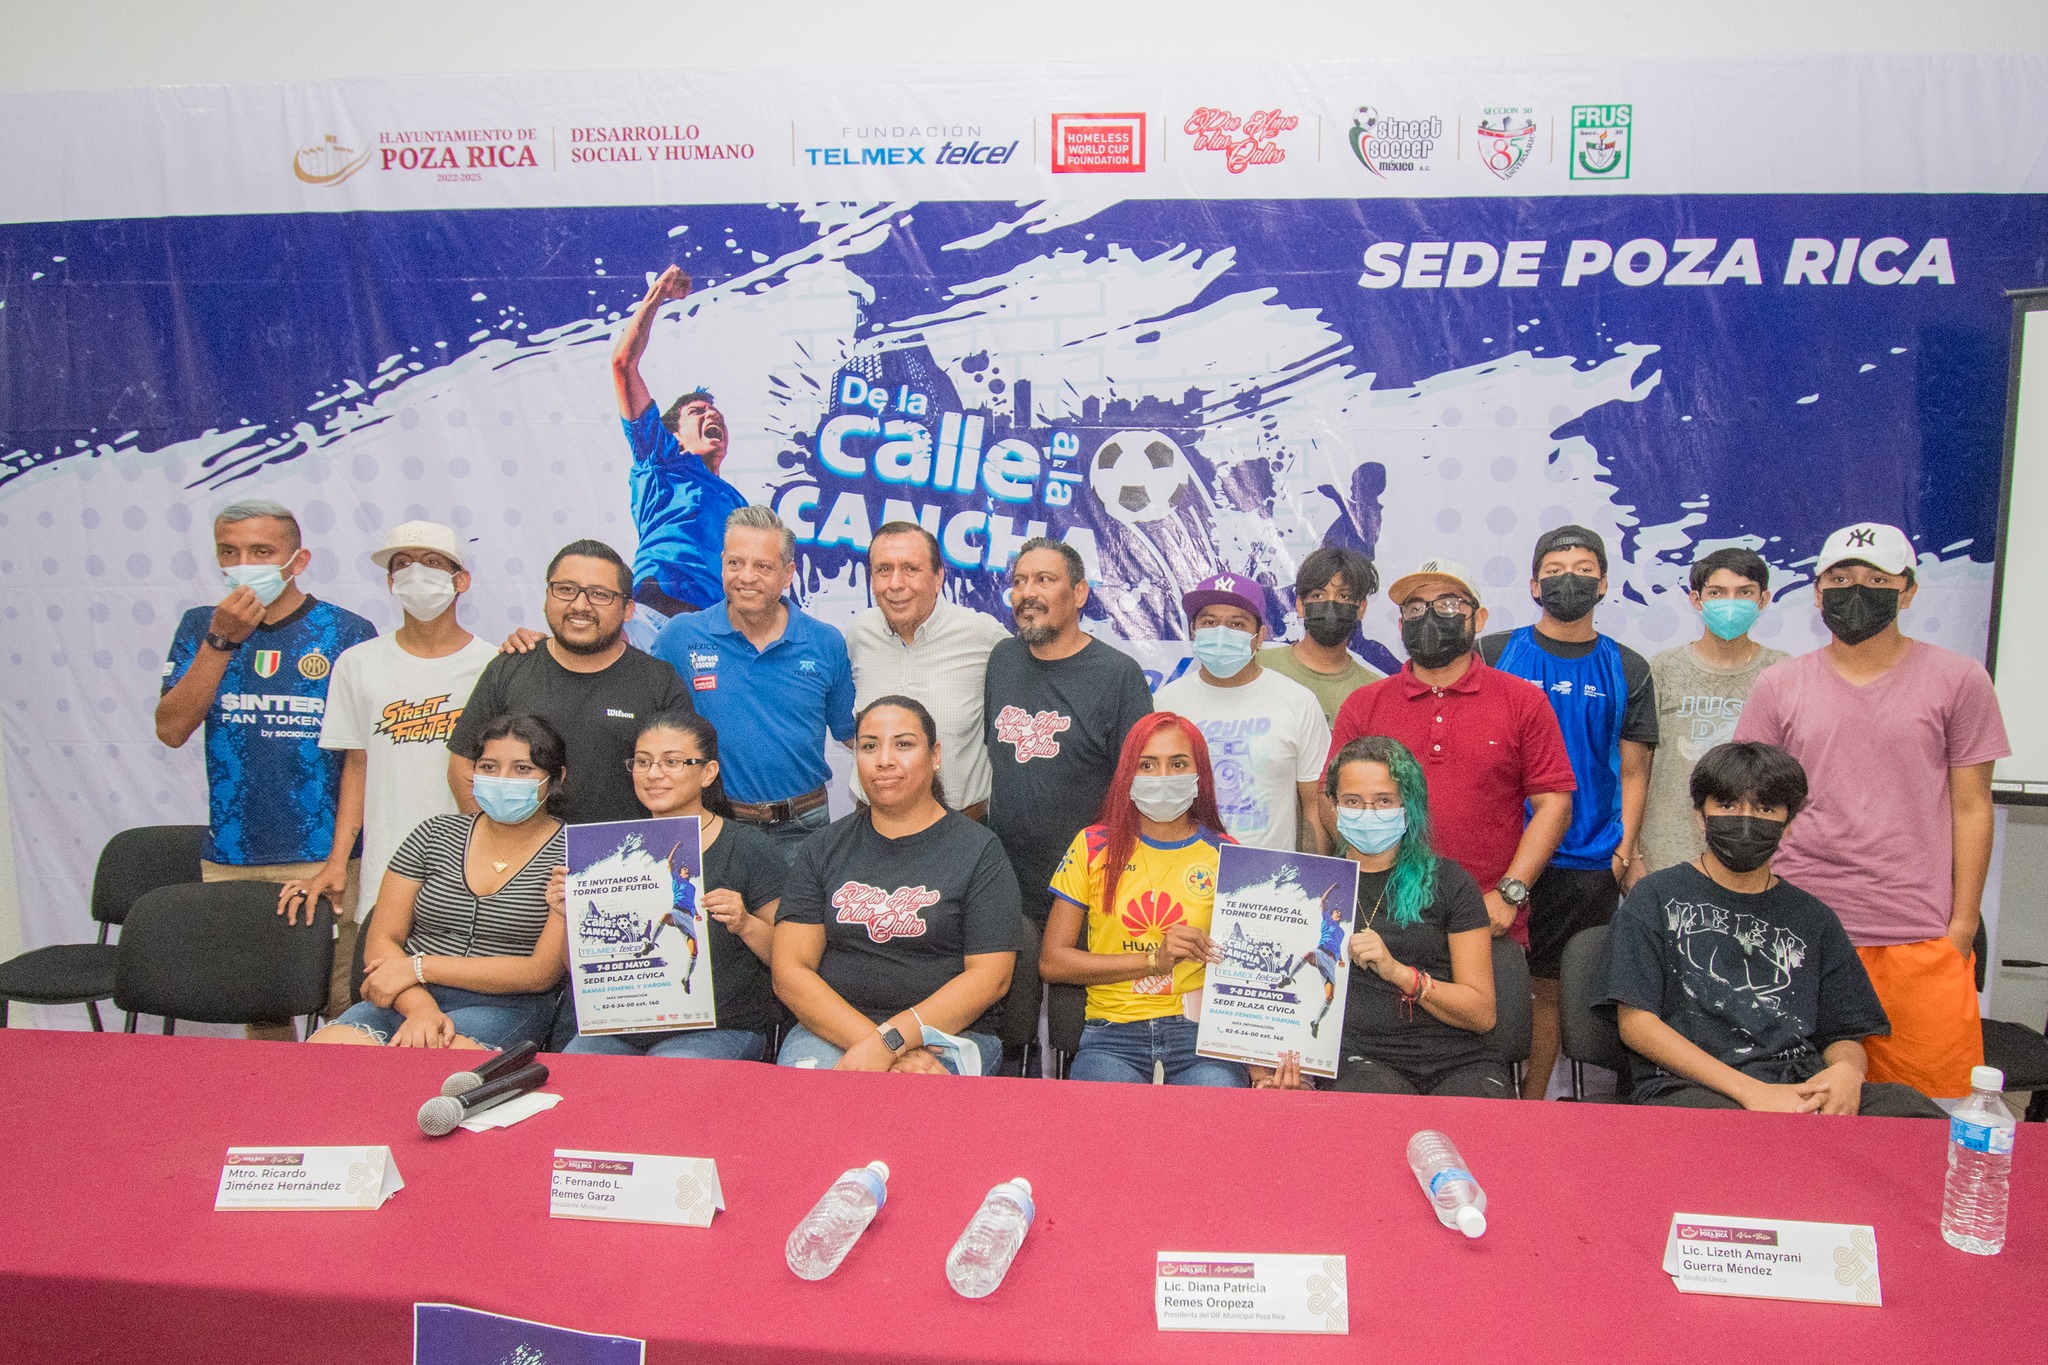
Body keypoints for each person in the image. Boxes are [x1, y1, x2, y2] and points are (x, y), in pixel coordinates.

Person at [1735, 522, 2009, 1102]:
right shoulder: (1779, 685)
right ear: (1817, 593)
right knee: (1790, 1107)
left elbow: (1972, 806)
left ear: (1907, 591)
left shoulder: (1959, 680)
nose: (1856, 590)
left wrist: (1960, 929)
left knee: (1922, 1112)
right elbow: (1750, 806)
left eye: (1876, 579)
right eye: (1839, 578)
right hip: (1795, 929)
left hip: (1915, 936)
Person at [1593, 741, 1945, 1117]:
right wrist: (1751, 1092)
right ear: (1700, 816)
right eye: (1728, 806)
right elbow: (1636, 1024)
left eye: (1764, 809)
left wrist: (1847, 1072)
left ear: (1788, 824)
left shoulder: (1815, 918)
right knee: (1732, 1131)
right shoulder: (1655, 897)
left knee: (1911, 1111)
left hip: (1800, 1085)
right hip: (1693, 1088)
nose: (1746, 820)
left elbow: (1844, 1034)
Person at [155, 498, 376, 1038]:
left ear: (298, 561)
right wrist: (220, 641)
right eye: (228, 552)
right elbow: (171, 728)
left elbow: (363, 755)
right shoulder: (200, 626)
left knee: (344, 1005)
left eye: (260, 552)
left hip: (330, 856)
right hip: (236, 853)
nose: (243, 564)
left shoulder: (346, 631)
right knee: (262, 1008)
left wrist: (339, 857)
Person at [278, 522, 498, 996]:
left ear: (461, 580)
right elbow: (357, 766)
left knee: (459, 1003)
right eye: (403, 564)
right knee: (372, 999)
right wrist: (338, 861)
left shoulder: (495, 664)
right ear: (390, 581)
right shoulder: (357, 663)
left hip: (469, 871)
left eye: (432, 562)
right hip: (385, 868)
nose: (416, 573)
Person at [1480, 524, 1657, 1099]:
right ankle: (1480, 1092)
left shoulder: (1628, 667)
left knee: (1552, 990)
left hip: (1585, 859)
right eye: (1554, 571)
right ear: (1533, 584)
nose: (1569, 581)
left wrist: (1623, 850)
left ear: (1604, 583)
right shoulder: (1493, 652)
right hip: (1501, 852)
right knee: (1486, 978)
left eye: (1584, 570)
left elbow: (1634, 770)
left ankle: (1531, 1105)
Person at [1328, 558, 1574, 944]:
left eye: (1448, 604)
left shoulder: (1523, 701)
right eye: (1415, 607)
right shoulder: (1364, 704)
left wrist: (1510, 893)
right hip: (1380, 919)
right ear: (1400, 624)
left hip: (1487, 917)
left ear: (1479, 619)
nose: (1429, 616)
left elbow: (1554, 805)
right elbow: (1331, 800)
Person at [772, 696, 1024, 1074]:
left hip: (946, 1036)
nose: (884, 760)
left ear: (935, 755)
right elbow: (791, 971)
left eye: (903, 744)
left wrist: (892, 1040)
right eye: (869, 746)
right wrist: (881, 1045)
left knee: (912, 1108)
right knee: (815, 1102)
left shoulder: (979, 850)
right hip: (832, 1030)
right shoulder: (823, 847)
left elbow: (991, 978)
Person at [985, 537, 1154, 1067]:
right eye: (1019, 581)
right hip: (1008, 880)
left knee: (1072, 1034)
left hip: (1086, 889)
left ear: (1079, 593)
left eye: (1044, 580)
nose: (1027, 593)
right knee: (1010, 1027)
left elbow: (1138, 785)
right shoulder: (1002, 660)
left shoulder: (1117, 674)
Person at [312, 714, 567, 1050]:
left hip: (506, 1004)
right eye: (489, 767)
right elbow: (383, 940)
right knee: (328, 1053)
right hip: (405, 996)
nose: (503, 779)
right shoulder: (433, 834)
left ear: (555, 777)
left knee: (439, 1062)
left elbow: (540, 973)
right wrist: (420, 1009)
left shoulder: (572, 851)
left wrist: (420, 966)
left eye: (522, 769)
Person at [555, 713, 784, 1061]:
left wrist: (745, 924)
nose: (653, 773)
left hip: (718, 1028)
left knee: (665, 1081)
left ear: (708, 772)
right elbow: (576, 969)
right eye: (642, 762)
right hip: (620, 1024)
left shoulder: (748, 847)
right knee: (574, 1078)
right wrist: (570, 915)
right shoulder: (611, 851)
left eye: (672, 762)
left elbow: (790, 960)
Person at [1040, 712, 1247, 1087]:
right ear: (1127, 775)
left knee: (1214, 1107)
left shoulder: (1227, 853)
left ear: (1199, 773)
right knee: (1104, 1116)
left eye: (1178, 764)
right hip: (1112, 1033)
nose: (1163, 777)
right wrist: (1154, 961)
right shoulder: (1092, 845)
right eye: (1147, 765)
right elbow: (1053, 962)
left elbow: (1249, 968)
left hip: (1201, 1034)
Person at [651, 507, 856, 859]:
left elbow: (852, 735)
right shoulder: (680, 637)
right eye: (735, 563)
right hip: (716, 825)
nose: (746, 577)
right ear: (722, 564)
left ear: (787, 573)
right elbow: (645, 720)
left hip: (805, 826)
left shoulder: (825, 642)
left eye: (762, 566)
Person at [454, 539, 693, 825]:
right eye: (566, 589)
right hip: (523, 850)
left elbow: (684, 780)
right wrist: (492, 840)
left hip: (624, 850)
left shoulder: (658, 681)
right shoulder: (509, 668)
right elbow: (462, 765)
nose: (580, 605)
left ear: (628, 609)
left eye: (599, 594)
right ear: (547, 596)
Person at [1323, 736, 1510, 1097]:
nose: (1368, 813)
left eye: (1384, 801)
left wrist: (1398, 973)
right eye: (1352, 801)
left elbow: (1482, 1013)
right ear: (1333, 805)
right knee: (1369, 1111)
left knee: (1478, 1119)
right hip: (1361, 1061)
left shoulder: (1450, 882)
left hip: (1459, 1060)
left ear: (1408, 806)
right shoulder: (1314, 884)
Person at [1156, 572, 1331, 853]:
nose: (1221, 633)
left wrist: (1313, 874)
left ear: (1259, 637)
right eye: (1209, 622)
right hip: (1181, 868)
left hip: (1265, 874)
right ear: (1193, 630)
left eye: (1237, 624)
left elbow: (1314, 806)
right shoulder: (1164, 703)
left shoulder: (1298, 702)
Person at [845, 521, 1008, 820]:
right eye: (883, 570)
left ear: (938, 577)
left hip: (961, 827)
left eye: (910, 569)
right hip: (870, 826)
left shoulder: (983, 636)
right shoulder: (859, 634)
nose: (895, 583)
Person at [1638, 547, 1788, 874]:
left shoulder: (1783, 672)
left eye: (1744, 592)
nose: (1730, 603)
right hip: (1666, 851)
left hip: (1755, 855)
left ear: (1763, 599)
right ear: (1696, 599)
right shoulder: (1662, 668)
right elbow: (1636, 768)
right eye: (1717, 592)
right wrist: (1633, 852)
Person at [611, 264, 749, 617]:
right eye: (697, 412)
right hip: (657, 604)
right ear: (675, 434)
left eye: (716, 413)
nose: (712, 415)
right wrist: (658, 294)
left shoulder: (739, 504)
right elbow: (623, 364)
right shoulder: (662, 460)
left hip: (715, 623)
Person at [1259, 546, 1384, 725]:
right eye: (1318, 595)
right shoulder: (1257, 667)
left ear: (1361, 608)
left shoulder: (1374, 692)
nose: (1330, 605)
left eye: (1344, 596)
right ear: (1300, 606)